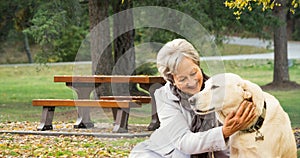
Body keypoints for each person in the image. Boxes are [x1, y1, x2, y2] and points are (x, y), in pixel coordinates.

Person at [129, 39, 256, 158]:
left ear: (198, 64)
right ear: (172, 80)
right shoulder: (164, 97)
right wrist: (223, 132)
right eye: (182, 79)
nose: (192, 82)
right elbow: (184, 143)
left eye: (193, 73)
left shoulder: (218, 90)